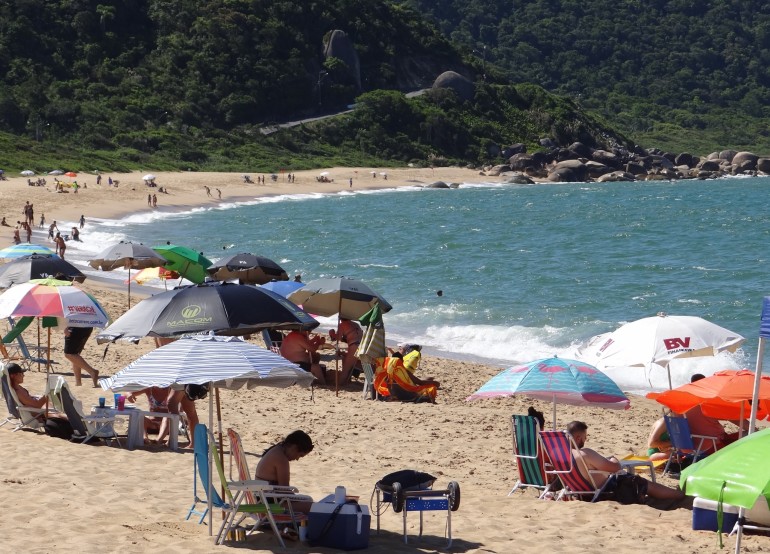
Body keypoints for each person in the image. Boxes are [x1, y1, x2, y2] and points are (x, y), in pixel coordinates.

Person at [567, 421, 684, 501]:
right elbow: (615, 467)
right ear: (578, 438)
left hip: (580, 492)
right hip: (607, 489)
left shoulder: (563, 455)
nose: (586, 440)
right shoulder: (585, 453)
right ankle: (679, 496)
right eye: (585, 437)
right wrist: (613, 459)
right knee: (644, 484)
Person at [255, 430, 315, 512]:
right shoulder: (281, 459)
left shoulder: (276, 449)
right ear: (294, 447)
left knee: (307, 501)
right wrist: (298, 498)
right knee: (313, 507)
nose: (297, 459)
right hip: (269, 503)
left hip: (261, 497)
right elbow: (284, 491)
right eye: (300, 455)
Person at [329, 318, 363, 382]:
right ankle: (348, 379)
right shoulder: (356, 324)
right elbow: (355, 336)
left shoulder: (342, 325)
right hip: (361, 346)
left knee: (346, 369)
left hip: (354, 346)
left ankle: (341, 383)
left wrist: (332, 334)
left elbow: (338, 339)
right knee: (345, 359)